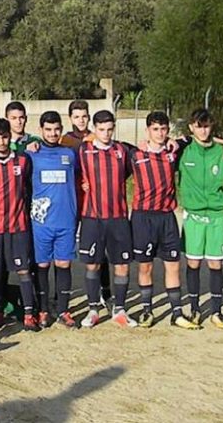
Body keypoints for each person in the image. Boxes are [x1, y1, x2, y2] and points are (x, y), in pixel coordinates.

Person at [130, 112, 200, 330]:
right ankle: (146, 310)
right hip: (143, 217)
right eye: (155, 129)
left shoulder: (174, 150)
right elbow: (98, 139)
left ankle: (176, 313)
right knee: (145, 267)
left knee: (173, 266)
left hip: (167, 217)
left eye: (163, 129)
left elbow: (199, 135)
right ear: (147, 131)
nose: (160, 133)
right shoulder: (135, 153)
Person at [0, 118, 39, 331]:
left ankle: (30, 312)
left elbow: (30, 189)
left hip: (18, 226)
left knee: (23, 270)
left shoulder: (23, 161)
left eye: (4, 136)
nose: (2, 141)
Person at [78, 111, 135, 329]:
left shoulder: (123, 150)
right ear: (94, 129)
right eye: (101, 129)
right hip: (92, 217)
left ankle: (119, 309)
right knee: (92, 264)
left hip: (118, 217)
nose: (106, 133)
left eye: (110, 129)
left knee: (122, 265)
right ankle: (93, 309)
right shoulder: (84, 150)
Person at [179, 109, 223, 329]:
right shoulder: (183, 149)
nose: (203, 130)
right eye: (198, 126)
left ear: (212, 127)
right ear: (191, 127)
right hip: (193, 215)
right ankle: (195, 309)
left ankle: (217, 312)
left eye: (207, 126)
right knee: (193, 262)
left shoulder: (222, 151)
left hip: (217, 215)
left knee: (215, 263)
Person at [28, 112, 79, 329]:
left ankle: (64, 310)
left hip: (66, 220)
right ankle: (42, 310)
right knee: (42, 265)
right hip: (41, 222)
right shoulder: (31, 155)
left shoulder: (69, 154)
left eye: (56, 129)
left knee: (64, 263)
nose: (52, 133)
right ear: (41, 130)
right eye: (48, 130)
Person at [64, 100, 112, 308]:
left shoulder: (97, 138)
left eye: (84, 116)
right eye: (76, 116)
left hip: (95, 200)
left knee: (101, 247)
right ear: (70, 119)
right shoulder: (64, 140)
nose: (81, 120)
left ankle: (106, 291)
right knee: (66, 246)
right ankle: (62, 293)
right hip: (72, 198)